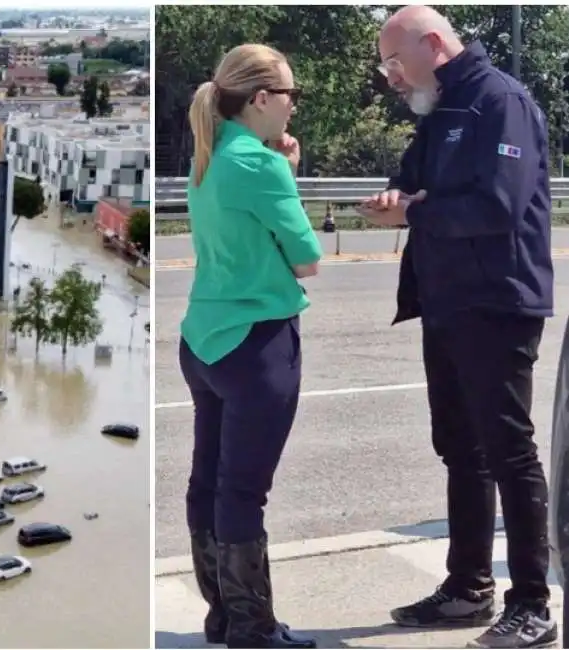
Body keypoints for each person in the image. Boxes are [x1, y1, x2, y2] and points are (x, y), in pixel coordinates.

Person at [360, 6, 556, 649]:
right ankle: (468, 588)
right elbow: (412, 183)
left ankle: (531, 603)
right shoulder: (440, 107)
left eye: (395, 61)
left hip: (496, 302)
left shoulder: (500, 101)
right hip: (445, 302)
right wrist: (396, 196)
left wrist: (415, 212)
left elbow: (498, 204)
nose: (390, 77)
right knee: (460, 451)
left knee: (508, 453)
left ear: (434, 45)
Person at [180, 43, 323, 649]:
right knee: (244, 492)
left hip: (202, 341)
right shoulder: (261, 167)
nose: (294, 108)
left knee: (207, 481)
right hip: (258, 344)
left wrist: (276, 163)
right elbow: (308, 259)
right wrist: (283, 171)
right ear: (261, 99)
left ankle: (223, 616)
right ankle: (254, 629)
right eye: (291, 95)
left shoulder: (209, 156)